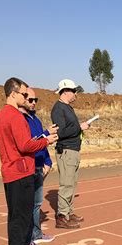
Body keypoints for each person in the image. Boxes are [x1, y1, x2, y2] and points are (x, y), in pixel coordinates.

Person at [0, 77, 58, 245]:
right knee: (20, 218)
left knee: (17, 217)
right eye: (24, 94)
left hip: (12, 171)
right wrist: (46, 141)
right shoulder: (14, 116)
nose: (26, 98)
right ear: (13, 94)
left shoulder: (2, 115)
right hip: (20, 173)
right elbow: (25, 145)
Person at [19, 87, 57, 245]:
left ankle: (36, 233)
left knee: (36, 204)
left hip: (40, 166)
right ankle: (28, 240)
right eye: (30, 100)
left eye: (36, 100)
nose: (34, 103)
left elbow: (43, 144)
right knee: (27, 205)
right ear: (22, 99)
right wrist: (47, 134)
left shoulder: (35, 119)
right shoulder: (21, 120)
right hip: (28, 167)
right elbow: (30, 143)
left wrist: (48, 161)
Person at [51, 79, 90, 229]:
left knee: (72, 184)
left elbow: (70, 128)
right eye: (74, 91)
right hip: (66, 150)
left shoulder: (67, 108)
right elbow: (60, 132)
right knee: (66, 184)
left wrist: (80, 128)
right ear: (65, 91)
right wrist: (80, 127)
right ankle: (61, 217)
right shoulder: (58, 109)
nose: (75, 94)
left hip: (73, 150)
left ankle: (68, 212)